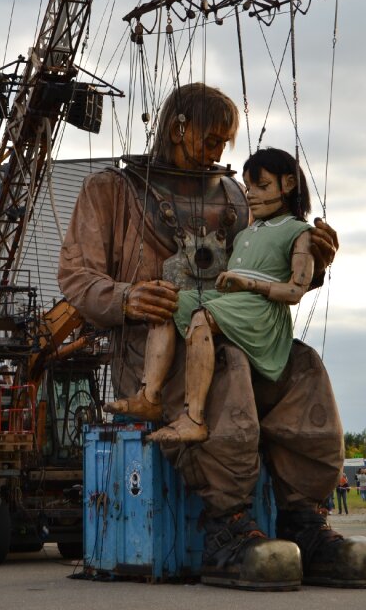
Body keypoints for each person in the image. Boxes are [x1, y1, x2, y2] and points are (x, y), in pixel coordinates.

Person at [59, 82, 366, 589]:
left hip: (240, 335)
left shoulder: (236, 195)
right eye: (211, 139)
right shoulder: (111, 191)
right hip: (154, 355)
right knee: (227, 370)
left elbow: (274, 261)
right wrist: (127, 298)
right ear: (178, 128)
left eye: (224, 143)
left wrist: (312, 259)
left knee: (304, 368)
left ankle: (304, 521)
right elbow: (77, 276)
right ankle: (228, 529)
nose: (218, 152)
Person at [106, 148, 314, 444]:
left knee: (202, 318)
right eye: (249, 186)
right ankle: (149, 396)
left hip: (262, 311)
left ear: (289, 185)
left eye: (263, 186)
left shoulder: (298, 231)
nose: (252, 194)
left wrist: (249, 285)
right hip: (235, 301)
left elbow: (295, 290)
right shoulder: (245, 234)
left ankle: (194, 418)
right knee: (168, 302)